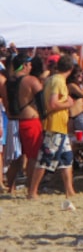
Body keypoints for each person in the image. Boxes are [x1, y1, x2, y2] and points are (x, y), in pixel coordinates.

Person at [28, 54, 76, 201]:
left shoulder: (53, 79)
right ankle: (32, 191)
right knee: (45, 158)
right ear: (71, 68)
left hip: (60, 126)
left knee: (66, 158)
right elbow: (52, 104)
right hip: (54, 125)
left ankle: (70, 190)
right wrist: (68, 104)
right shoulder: (58, 81)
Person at [4, 52, 44, 194]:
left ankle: (10, 186)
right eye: (30, 64)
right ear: (25, 65)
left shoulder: (8, 82)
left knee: (16, 158)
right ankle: (31, 189)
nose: (31, 66)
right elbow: (41, 103)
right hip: (30, 121)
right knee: (33, 156)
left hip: (12, 121)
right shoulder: (31, 80)